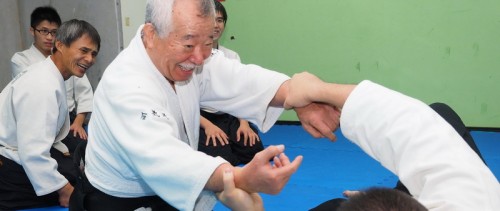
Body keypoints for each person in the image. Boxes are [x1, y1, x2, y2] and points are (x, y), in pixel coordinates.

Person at [71, 0, 341, 210]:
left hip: (170, 194)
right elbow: (166, 159)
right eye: (188, 44)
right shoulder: (126, 83)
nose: (200, 57)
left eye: (209, 42)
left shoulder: (187, 59)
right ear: (151, 34)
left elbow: (239, 79)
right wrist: (239, 177)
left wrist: (293, 96)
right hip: (118, 200)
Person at [284, 72, 500, 211]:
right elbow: (415, 126)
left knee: (333, 208)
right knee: (441, 114)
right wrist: (316, 89)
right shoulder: (479, 203)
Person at [0, 19, 100, 210]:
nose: (89, 59)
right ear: (60, 45)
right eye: (84, 51)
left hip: (20, 150)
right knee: (81, 191)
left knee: (81, 167)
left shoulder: (50, 73)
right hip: (9, 166)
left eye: (93, 53)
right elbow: (32, 151)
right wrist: (64, 190)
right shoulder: (42, 85)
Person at [11, 6, 94, 152]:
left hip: (70, 120)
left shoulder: (69, 57)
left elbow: (84, 92)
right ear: (32, 31)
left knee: (86, 150)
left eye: (54, 32)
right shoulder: (20, 59)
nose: (49, 37)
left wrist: (79, 122)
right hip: (39, 119)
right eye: (44, 31)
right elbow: (36, 93)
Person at [198, 0, 263, 166]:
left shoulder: (231, 56)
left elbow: (240, 94)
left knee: (254, 150)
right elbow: (185, 102)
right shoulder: (193, 57)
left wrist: (244, 123)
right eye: (212, 19)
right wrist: (208, 126)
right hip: (201, 117)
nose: (216, 25)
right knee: (223, 159)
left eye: (220, 20)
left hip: (228, 114)